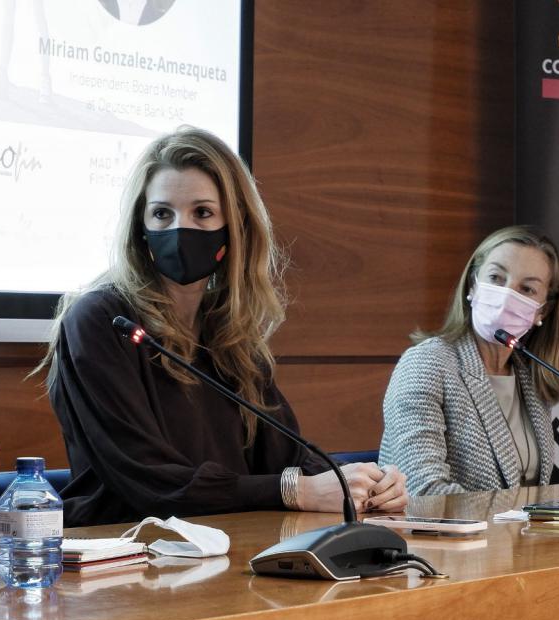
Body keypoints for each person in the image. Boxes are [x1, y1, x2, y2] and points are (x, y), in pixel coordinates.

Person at [37, 127, 408, 527]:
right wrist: (294, 491)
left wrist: (363, 484)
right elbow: (148, 480)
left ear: (235, 228)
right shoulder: (102, 321)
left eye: (203, 213)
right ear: (140, 227)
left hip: (224, 544)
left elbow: (288, 453)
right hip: (123, 553)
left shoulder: (227, 332)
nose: (181, 230)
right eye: (163, 213)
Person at [379, 225, 559, 495]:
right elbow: (422, 489)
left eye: (527, 289)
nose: (508, 295)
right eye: (496, 277)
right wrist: (513, 518)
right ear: (473, 285)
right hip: (443, 536)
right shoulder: (427, 363)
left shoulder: (528, 377)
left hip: (521, 537)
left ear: (543, 309)